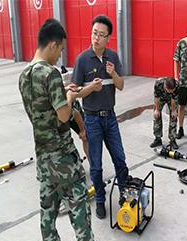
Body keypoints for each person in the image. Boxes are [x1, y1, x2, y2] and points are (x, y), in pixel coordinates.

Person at [18, 19, 113, 241]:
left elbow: (43, 110)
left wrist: (67, 93)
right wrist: (69, 96)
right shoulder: (49, 74)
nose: (60, 54)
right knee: (79, 206)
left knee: (48, 207)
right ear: (52, 44)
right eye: (60, 50)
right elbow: (62, 115)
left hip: (43, 156)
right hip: (62, 157)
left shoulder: (24, 75)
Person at [71, 15, 128, 220]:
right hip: (92, 119)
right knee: (95, 165)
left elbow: (120, 85)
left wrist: (113, 74)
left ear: (108, 38)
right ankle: (101, 200)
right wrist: (89, 88)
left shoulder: (113, 57)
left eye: (101, 35)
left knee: (120, 159)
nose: (96, 38)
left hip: (111, 118)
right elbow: (74, 92)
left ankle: (124, 194)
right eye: (94, 33)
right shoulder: (82, 59)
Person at [150, 77, 179, 149]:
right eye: (168, 90)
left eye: (172, 91)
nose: (170, 92)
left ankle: (172, 140)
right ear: (165, 86)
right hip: (161, 99)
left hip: (171, 100)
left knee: (173, 117)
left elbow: (174, 99)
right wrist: (157, 110)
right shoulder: (158, 83)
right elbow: (156, 97)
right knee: (156, 116)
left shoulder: (177, 85)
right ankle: (157, 138)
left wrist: (173, 110)